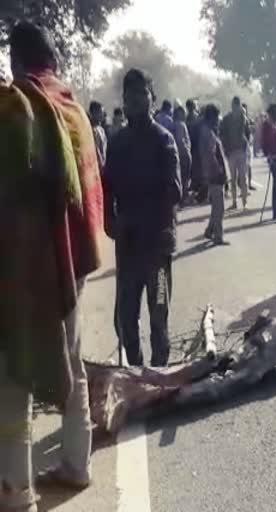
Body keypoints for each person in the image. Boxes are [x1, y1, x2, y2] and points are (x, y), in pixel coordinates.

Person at [2, 22, 105, 510]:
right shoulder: (74, 108)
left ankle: (16, 492)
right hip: (75, 258)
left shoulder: (19, 105)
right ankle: (77, 465)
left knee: (14, 373)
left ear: (17, 60)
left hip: (31, 264)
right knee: (72, 356)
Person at [103, 69, 182, 367]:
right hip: (128, 250)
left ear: (152, 98)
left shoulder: (165, 141)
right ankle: (136, 374)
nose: (135, 100)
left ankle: (160, 377)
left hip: (158, 249)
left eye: (141, 94)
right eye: (129, 95)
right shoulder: (117, 143)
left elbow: (174, 192)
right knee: (125, 320)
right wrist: (112, 224)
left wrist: (141, 216)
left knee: (159, 316)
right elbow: (106, 187)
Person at [199, 104, 229, 245]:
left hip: (211, 174)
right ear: (212, 117)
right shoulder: (209, 133)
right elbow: (210, 156)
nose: (218, 120)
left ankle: (209, 230)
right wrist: (219, 171)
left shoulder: (207, 131)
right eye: (216, 117)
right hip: (215, 175)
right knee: (219, 207)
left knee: (216, 207)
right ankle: (218, 236)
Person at [221, 96, 251, 209]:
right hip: (231, 152)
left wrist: (246, 144)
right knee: (233, 178)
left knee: (243, 178)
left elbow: (248, 133)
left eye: (237, 106)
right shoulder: (226, 119)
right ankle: (234, 202)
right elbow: (222, 134)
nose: (236, 108)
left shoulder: (244, 119)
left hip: (241, 151)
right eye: (234, 106)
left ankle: (244, 201)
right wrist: (225, 149)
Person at [173, 105, 192, 204]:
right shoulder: (180, 124)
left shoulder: (174, 124)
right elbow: (181, 141)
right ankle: (184, 198)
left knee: (182, 176)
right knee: (185, 177)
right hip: (183, 154)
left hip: (179, 154)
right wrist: (187, 150)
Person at [88, 101, 108, 173]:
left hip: (104, 165)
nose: (102, 114)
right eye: (100, 112)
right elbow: (96, 150)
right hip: (97, 168)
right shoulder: (91, 130)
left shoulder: (101, 129)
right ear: (93, 113)